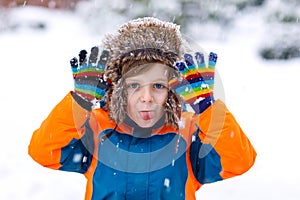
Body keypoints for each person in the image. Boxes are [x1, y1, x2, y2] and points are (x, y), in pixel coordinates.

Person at [28, 17, 256, 200]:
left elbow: (239, 160)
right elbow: (43, 151)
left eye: (158, 85)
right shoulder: (98, 128)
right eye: (134, 85)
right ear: (117, 88)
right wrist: (79, 103)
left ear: (173, 89)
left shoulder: (187, 131)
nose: (146, 98)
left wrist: (207, 108)